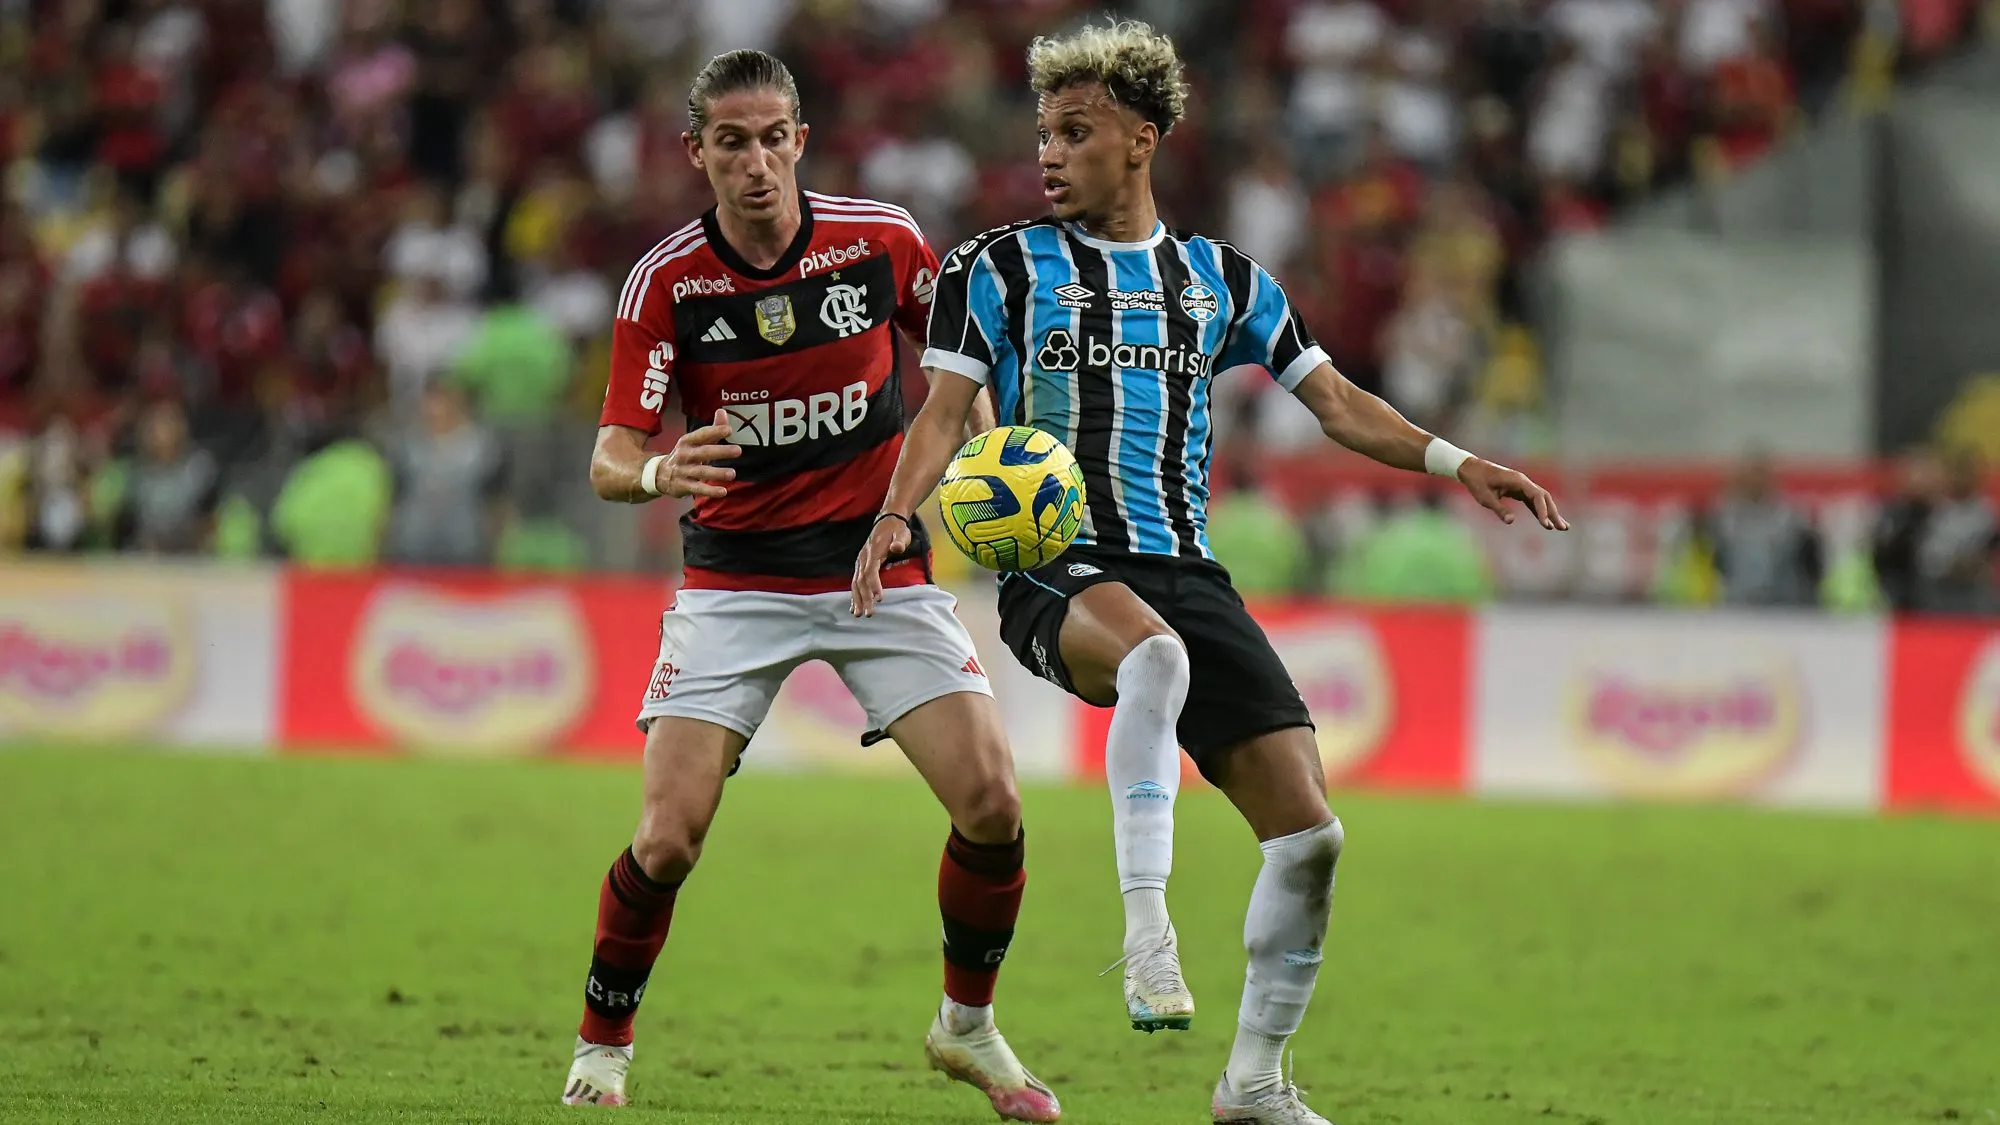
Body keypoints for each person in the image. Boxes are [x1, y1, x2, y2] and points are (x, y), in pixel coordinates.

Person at [852, 21, 1565, 1125]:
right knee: (1153, 659)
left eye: (1074, 132)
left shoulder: (1219, 280)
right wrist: (896, 519)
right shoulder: (993, 269)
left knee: (1310, 835)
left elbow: (1333, 404)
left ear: (1140, 138)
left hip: (1185, 564)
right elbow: (941, 414)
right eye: (1042, 131)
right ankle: (1145, 933)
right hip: (1052, 557)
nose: (1048, 152)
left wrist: (1454, 459)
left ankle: (1253, 1087)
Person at [562, 50, 1058, 1122]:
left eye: (771, 136)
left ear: (799, 138)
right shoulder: (665, 284)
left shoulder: (879, 240)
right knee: (668, 838)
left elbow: (956, 364)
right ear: (694, 153)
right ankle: (602, 1048)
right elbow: (608, 457)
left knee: (993, 804)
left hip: (879, 566)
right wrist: (657, 469)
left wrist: (985, 458)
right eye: (729, 142)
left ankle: (964, 1027)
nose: (755, 161)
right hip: (733, 583)